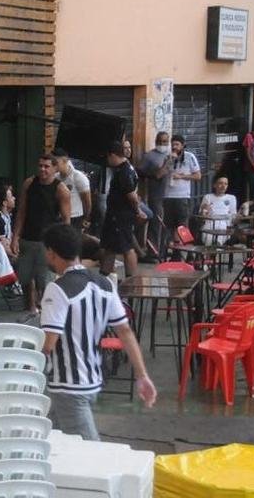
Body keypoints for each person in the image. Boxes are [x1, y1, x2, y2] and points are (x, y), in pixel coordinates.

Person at [40, 224, 156, 440]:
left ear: (51, 252)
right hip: (91, 380)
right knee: (47, 440)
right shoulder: (104, 284)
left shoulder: (57, 289)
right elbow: (125, 332)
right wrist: (142, 375)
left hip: (67, 385)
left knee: (91, 451)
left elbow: (48, 344)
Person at [14, 154, 72, 316]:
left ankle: (49, 310)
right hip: (27, 237)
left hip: (47, 242)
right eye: (40, 166)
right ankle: (31, 307)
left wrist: (61, 244)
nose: (42, 169)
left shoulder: (61, 190)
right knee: (25, 277)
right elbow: (21, 211)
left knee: (45, 279)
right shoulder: (29, 184)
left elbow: (66, 219)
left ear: (55, 169)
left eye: (47, 166)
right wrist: (15, 236)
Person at [99, 141, 142, 278]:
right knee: (110, 247)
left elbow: (132, 195)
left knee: (126, 247)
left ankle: (132, 279)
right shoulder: (123, 169)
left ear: (112, 155)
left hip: (121, 216)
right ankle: (105, 275)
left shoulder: (124, 172)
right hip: (114, 215)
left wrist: (137, 210)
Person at [163, 134, 201, 256]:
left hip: (182, 196)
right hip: (168, 196)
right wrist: (169, 161)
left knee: (182, 226)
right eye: (173, 144)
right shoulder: (168, 157)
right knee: (170, 226)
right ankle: (174, 251)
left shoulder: (190, 157)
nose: (174, 147)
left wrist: (182, 176)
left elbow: (197, 176)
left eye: (177, 144)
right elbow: (161, 173)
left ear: (183, 145)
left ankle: (189, 252)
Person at [136, 131, 173, 255]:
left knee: (167, 225)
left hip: (170, 195)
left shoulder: (170, 155)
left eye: (165, 141)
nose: (162, 144)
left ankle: (163, 250)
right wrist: (156, 173)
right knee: (155, 224)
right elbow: (140, 172)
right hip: (155, 195)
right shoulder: (149, 156)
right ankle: (153, 252)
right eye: (160, 141)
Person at [53, 147, 93, 232]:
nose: (54, 165)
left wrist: (86, 218)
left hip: (75, 217)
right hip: (59, 216)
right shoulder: (55, 177)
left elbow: (87, 201)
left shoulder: (79, 177)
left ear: (64, 161)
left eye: (56, 163)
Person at [199, 177, 238, 246]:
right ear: (215, 185)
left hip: (224, 224)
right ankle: (210, 254)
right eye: (220, 183)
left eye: (225, 184)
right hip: (209, 223)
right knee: (208, 239)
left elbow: (233, 216)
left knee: (218, 239)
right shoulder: (208, 197)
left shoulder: (231, 198)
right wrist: (204, 210)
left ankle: (215, 252)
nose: (223, 186)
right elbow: (202, 216)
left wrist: (237, 217)